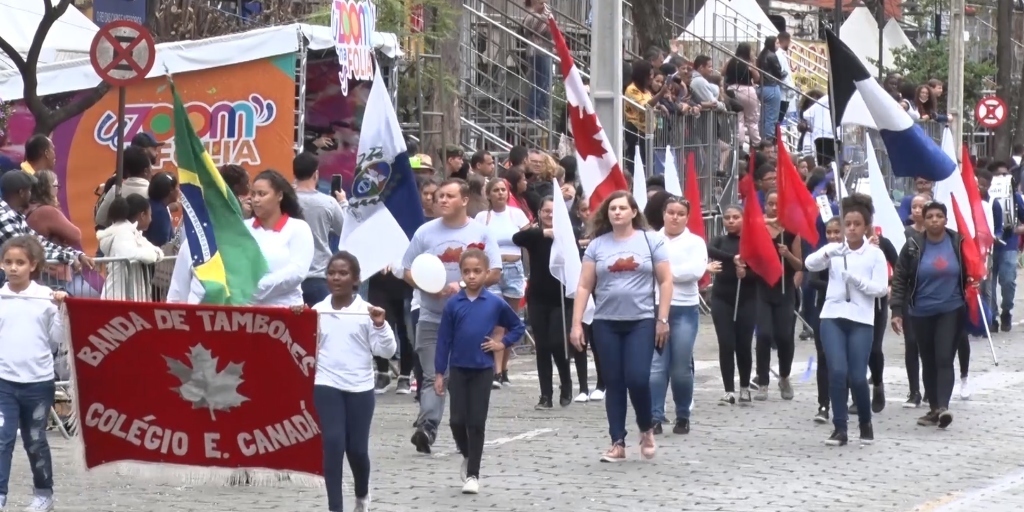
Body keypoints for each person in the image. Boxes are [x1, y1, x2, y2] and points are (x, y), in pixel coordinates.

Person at [568, 191, 672, 462]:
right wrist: (577, 323)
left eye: (622, 208)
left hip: (642, 320)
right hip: (605, 322)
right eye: (612, 208)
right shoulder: (597, 245)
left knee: (637, 378)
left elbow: (665, 282)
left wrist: (662, 319)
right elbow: (583, 285)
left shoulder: (651, 241)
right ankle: (617, 441)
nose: (617, 212)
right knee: (613, 382)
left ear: (634, 212)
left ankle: (646, 426)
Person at [401, 179, 502, 454]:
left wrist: (466, 285)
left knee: (463, 376)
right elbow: (406, 268)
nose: (441, 200)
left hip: (470, 320)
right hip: (432, 317)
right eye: (439, 196)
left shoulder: (481, 233)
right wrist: (426, 286)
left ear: (465, 200)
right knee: (434, 374)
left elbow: (495, 270)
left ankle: (465, 431)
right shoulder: (425, 232)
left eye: (448, 196)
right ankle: (427, 428)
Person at [434, 248, 526, 494]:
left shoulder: (495, 303)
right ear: (461, 273)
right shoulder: (454, 304)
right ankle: (467, 454)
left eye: (477, 271)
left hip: (483, 369)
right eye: (467, 271)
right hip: (458, 369)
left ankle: (473, 473)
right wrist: (439, 372)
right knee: (456, 421)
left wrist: (501, 344)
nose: (472, 276)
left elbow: (517, 326)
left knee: (476, 421)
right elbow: (444, 340)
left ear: (487, 273)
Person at [312, 251, 396, 512]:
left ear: (356, 279)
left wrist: (381, 325)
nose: (336, 278)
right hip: (326, 385)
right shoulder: (317, 311)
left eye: (343, 273)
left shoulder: (367, 312)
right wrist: (298, 318)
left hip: (360, 388)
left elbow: (387, 351)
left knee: (357, 450)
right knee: (333, 443)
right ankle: (335, 507)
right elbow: (304, 345)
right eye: (331, 273)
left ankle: (362, 494)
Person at [805, 195, 889, 446]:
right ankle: (839, 427)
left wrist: (857, 281)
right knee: (837, 371)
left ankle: (865, 422)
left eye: (856, 224)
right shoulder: (836, 250)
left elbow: (881, 289)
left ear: (866, 227)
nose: (851, 229)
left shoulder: (874, 255)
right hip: (832, 316)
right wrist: (828, 251)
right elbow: (810, 264)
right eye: (847, 224)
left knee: (857, 376)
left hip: (861, 319)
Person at [0, 235, 67, 512]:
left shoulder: (45, 299)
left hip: (38, 383)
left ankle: (43, 493)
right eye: (7, 262)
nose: (13, 268)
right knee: (2, 438)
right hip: (4, 381)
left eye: (20, 262)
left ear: (33, 265)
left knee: (35, 440)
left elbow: (57, 339)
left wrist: (62, 309)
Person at [891, 201, 970, 430]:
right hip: (921, 311)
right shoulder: (913, 245)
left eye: (939, 216)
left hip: (951, 309)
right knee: (928, 359)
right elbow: (900, 278)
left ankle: (943, 407)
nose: (935, 220)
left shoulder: (958, 241)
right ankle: (934, 408)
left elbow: (972, 266)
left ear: (946, 219)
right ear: (923, 221)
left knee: (944, 357)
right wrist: (897, 310)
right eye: (930, 217)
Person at [513, 196, 585, 407]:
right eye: (546, 211)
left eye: (554, 211)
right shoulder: (535, 235)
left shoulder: (569, 232)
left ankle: (566, 383)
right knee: (542, 346)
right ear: (539, 213)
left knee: (557, 342)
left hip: (561, 298)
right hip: (538, 297)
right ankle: (546, 394)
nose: (550, 215)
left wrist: (559, 233)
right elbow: (517, 238)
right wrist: (544, 232)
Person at [649, 196, 706, 435]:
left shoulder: (695, 242)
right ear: (663, 214)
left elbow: (695, 271)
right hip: (653, 305)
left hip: (684, 308)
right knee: (655, 366)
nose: (675, 217)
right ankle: (654, 416)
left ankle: (683, 414)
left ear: (687, 216)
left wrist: (663, 272)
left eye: (680, 213)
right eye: (670, 212)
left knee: (680, 366)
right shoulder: (652, 239)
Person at [474, 178, 530, 388]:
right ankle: (496, 371)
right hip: (493, 268)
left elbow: (528, 238)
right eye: (495, 190)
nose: (500, 194)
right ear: (488, 194)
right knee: (496, 321)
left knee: (510, 322)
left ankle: (504, 368)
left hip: (514, 268)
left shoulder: (516, 214)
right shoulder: (482, 217)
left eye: (503, 190)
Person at [753, 190, 802, 400]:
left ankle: (784, 376)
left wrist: (787, 254)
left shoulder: (791, 231)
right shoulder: (758, 226)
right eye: (770, 203)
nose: (774, 208)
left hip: (785, 288)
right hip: (761, 288)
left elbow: (800, 265)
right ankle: (762, 380)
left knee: (784, 336)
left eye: (778, 204)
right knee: (763, 334)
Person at [707, 205, 757, 404]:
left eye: (736, 217)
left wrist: (746, 273)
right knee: (726, 343)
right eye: (727, 217)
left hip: (747, 298)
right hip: (721, 298)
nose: (731, 221)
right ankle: (729, 390)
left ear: (744, 219)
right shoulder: (720, 240)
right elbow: (709, 249)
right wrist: (732, 259)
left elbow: (760, 270)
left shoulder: (751, 243)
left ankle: (744, 386)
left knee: (743, 345)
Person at [246, 170, 315, 307]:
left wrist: (255, 289)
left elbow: (297, 272)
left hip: (285, 312)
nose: (256, 199)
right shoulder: (244, 228)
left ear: (279, 196)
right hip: (247, 314)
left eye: (262, 194)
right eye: (253, 194)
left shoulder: (298, 228)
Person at [0, 171, 89, 271]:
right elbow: (25, 250)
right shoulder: (3, 217)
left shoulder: (15, 215)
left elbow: (38, 242)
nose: (30, 195)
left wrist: (75, 254)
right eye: (29, 191)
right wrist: (68, 257)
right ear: (21, 193)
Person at [293, 152, 347, 306]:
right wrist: (343, 203)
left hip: (290, 279)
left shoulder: (284, 201)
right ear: (316, 174)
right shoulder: (328, 203)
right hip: (319, 275)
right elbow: (345, 231)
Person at [97, 194, 164, 300]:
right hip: (119, 297)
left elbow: (157, 252)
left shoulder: (132, 232)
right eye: (150, 215)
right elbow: (130, 254)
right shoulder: (123, 232)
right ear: (142, 215)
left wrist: (154, 254)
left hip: (127, 295)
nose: (151, 219)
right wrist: (151, 255)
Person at [24, 170, 81, 291]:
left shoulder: (28, 209)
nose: (57, 190)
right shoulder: (47, 211)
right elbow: (76, 235)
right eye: (56, 186)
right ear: (46, 188)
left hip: (39, 271)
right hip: (53, 273)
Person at [810, 217, 843, 423]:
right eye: (829, 232)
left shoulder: (853, 255)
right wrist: (835, 286)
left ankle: (847, 400)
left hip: (848, 312)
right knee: (823, 357)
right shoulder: (823, 254)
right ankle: (823, 404)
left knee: (843, 361)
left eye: (836, 232)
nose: (832, 236)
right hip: (824, 310)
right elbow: (812, 280)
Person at [94, 146, 152, 229]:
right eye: (150, 167)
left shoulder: (116, 190)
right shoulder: (153, 192)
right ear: (146, 171)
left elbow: (100, 219)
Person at [722, 43, 761, 147]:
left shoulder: (731, 61)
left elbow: (722, 72)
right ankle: (757, 144)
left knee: (739, 119)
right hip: (747, 90)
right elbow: (757, 78)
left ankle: (739, 144)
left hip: (732, 90)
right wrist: (753, 63)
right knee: (752, 120)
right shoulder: (749, 63)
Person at [756, 36, 786, 139]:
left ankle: (762, 139)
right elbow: (778, 72)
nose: (778, 45)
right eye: (777, 43)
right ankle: (768, 141)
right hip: (771, 87)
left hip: (762, 87)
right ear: (772, 44)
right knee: (771, 118)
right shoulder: (772, 55)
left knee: (763, 118)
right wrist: (783, 75)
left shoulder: (761, 55)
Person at [143, 172, 179, 247]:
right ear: (171, 190)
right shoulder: (161, 213)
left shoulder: (149, 204)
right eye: (176, 187)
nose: (178, 190)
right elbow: (162, 245)